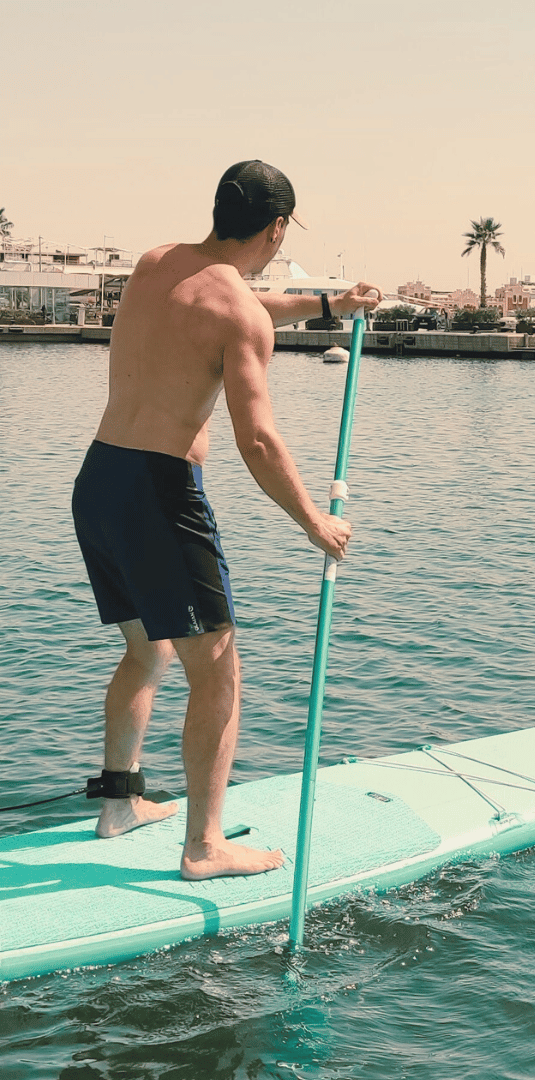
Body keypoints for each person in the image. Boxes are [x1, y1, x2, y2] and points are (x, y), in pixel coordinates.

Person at [71, 160, 382, 881]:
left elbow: (235, 301)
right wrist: (314, 521)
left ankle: (118, 803)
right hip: (159, 492)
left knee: (149, 652)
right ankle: (205, 846)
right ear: (276, 229)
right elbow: (260, 440)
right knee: (219, 673)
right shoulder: (237, 313)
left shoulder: (157, 264)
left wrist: (331, 304)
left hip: (99, 480)